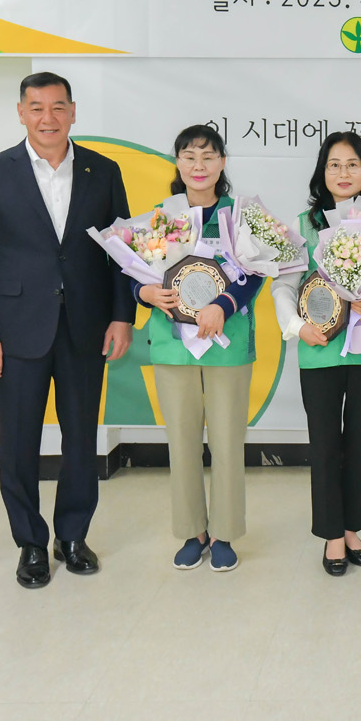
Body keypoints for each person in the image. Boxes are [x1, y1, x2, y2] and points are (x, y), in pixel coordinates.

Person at [0, 72, 135, 589]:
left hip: (87, 326)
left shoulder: (104, 170)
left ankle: (73, 536)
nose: (48, 118)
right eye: (36, 108)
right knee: (18, 441)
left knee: (81, 437)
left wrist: (122, 315)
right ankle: (31, 543)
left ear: (73, 112)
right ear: (21, 113)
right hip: (14, 331)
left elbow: (123, 253)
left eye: (58, 107)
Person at [271, 132, 361, 575]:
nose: (343, 172)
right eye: (334, 164)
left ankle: (352, 528)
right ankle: (331, 535)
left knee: (359, 442)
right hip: (319, 350)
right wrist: (298, 327)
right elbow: (283, 285)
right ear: (322, 172)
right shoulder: (304, 224)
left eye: (352, 164)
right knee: (324, 445)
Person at [138, 124, 263, 573]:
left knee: (227, 441)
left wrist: (223, 304)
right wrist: (143, 293)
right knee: (182, 442)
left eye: (208, 156)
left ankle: (225, 533)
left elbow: (257, 271)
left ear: (222, 163)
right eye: (189, 156)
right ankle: (194, 532)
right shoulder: (161, 216)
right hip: (173, 346)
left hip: (226, 342)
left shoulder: (241, 215)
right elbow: (135, 266)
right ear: (177, 162)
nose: (199, 165)